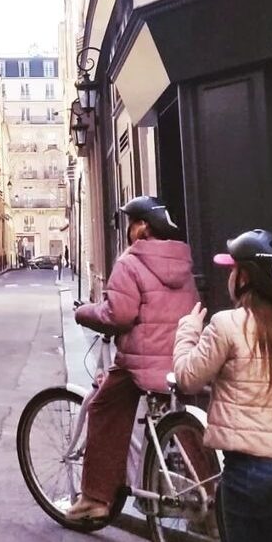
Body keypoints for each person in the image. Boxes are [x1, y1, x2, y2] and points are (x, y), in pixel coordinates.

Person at [174, 229, 272, 542]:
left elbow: (187, 378)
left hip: (246, 471)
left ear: (246, 278)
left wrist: (187, 331)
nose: (229, 276)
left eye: (233, 270)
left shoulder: (226, 325)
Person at [66, 195, 199, 522]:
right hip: (181, 359)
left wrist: (84, 313)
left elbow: (119, 315)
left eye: (131, 223)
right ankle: (206, 499)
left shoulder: (131, 261)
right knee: (187, 424)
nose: (128, 229)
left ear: (141, 226)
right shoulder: (182, 261)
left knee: (103, 407)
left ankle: (95, 498)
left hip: (141, 363)